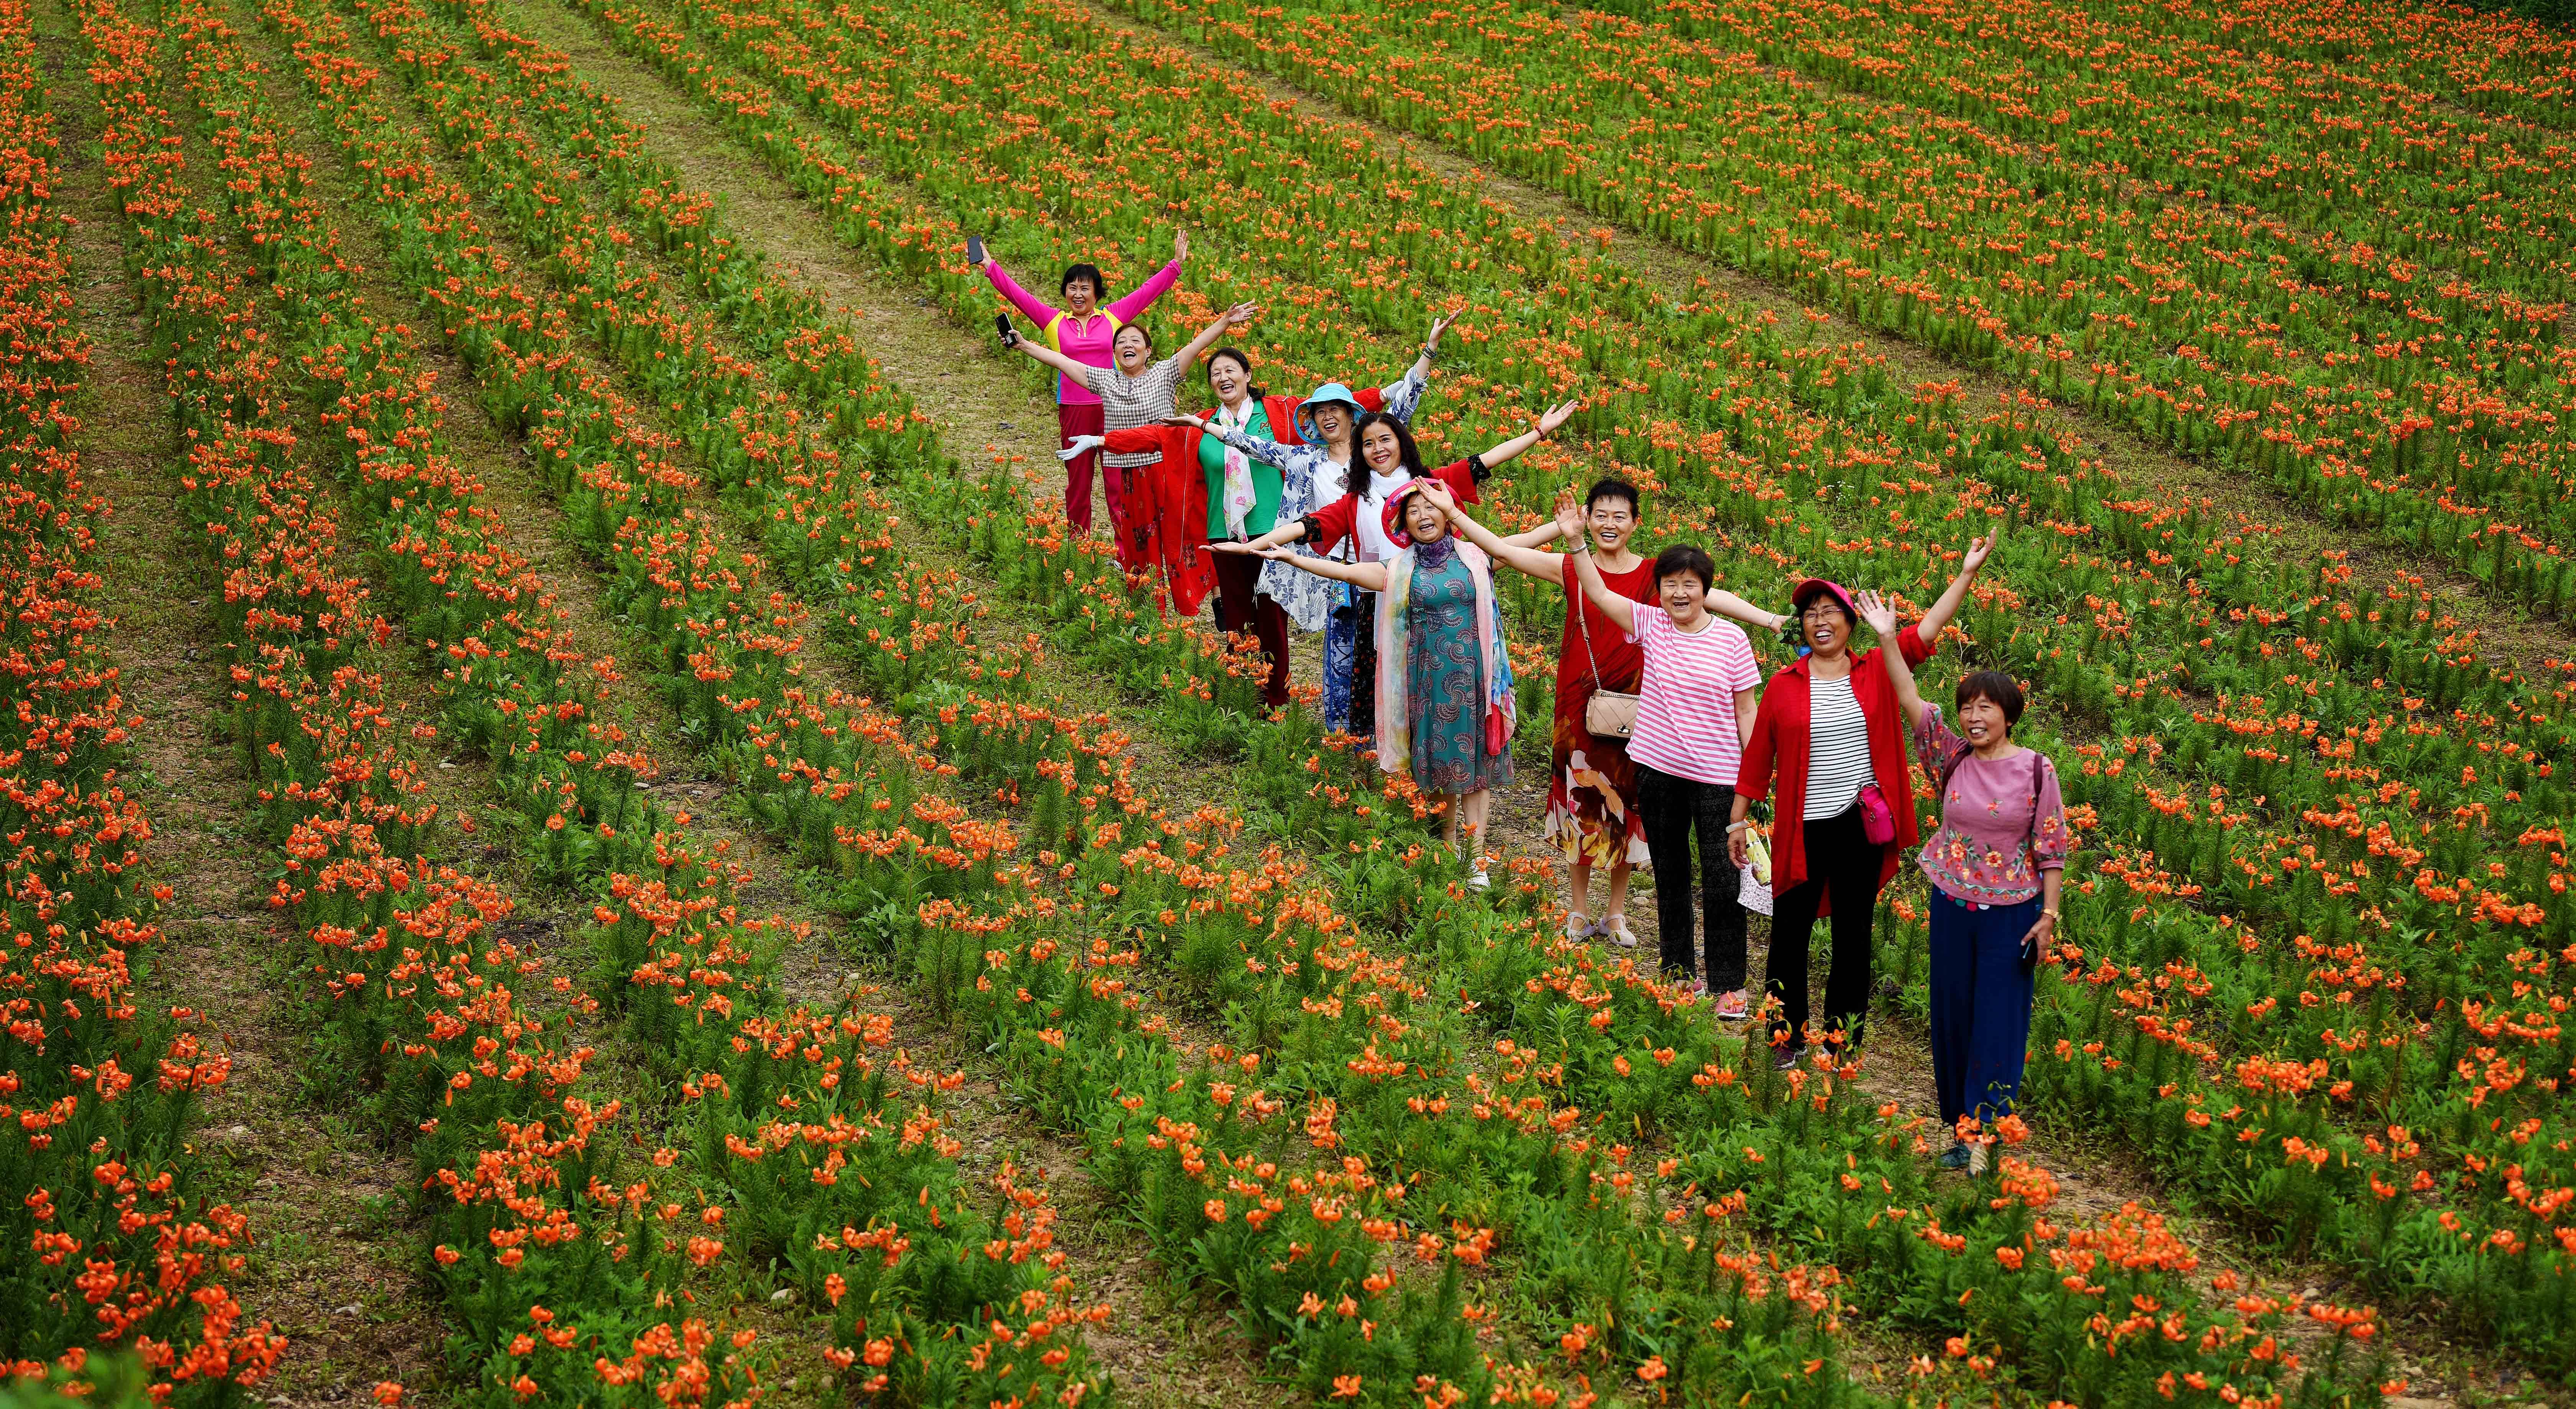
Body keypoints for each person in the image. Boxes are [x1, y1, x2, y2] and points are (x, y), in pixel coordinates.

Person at [1438, 478, 1783, 954]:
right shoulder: (1569, 566)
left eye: (1620, 516)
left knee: (1628, 806)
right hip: (1578, 703)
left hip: (1643, 707)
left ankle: (1615, 910)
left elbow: (1710, 597)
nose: (1609, 524)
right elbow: (1500, 549)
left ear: (1635, 523)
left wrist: (1767, 619)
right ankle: (1578, 908)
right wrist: (1452, 514)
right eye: (1600, 514)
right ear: (1586, 516)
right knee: (1578, 801)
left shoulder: (1654, 576)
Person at [1069, 324, 1453, 703]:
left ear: (1247, 375)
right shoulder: (1230, 432)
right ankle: (1246, 697)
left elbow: (1363, 411)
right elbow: (1161, 436)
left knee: (1278, 622)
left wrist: (1404, 375)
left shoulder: (1284, 415)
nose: (1222, 376)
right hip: (1232, 532)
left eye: (1229, 369)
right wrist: (1102, 441)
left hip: (1287, 534)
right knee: (1243, 621)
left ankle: (1283, 699)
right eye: (1215, 373)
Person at [1729, 535, 1997, 1067]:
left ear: (1851, 622)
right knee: (1787, 936)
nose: (1818, 620)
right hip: (1801, 829)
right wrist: (1737, 822)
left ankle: (1841, 1043)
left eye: (1830, 611)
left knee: (1853, 940)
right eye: (1809, 614)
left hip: (1859, 827)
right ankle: (1786, 1039)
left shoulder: (1876, 667)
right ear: (1801, 627)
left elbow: (1928, 631)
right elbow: (1758, 759)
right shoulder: (1783, 685)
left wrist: (1965, 574)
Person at [1204, 399, 1579, 746]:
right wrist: (1254, 546)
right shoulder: (1355, 499)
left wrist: (1538, 433)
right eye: (1368, 443)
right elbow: (1308, 526)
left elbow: (1482, 462)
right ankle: (1384, 767)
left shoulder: (1427, 484)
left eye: (1385, 439)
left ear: (1401, 443)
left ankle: (1439, 755)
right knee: (1382, 689)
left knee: (1434, 684)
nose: (1378, 449)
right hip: (1380, 599)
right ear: (1360, 451)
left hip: (1437, 594)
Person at [1854, 590, 2068, 1172]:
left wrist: (2047, 916)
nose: (1974, 717)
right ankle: (1959, 1128)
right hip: (1950, 902)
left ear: (2009, 714)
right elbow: (1906, 697)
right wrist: (1883, 636)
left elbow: (2050, 847)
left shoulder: (2034, 769)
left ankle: (1987, 1134)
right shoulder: (1950, 755)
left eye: (1986, 708)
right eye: (1967, 706)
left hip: (2011, 915)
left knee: (1997, 1021)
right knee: (1951, 1014)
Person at [1252, 481, 1514, 885]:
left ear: (1448, 513)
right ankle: (1447, 849)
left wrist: (1570, 529)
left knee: (1478, 769)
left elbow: (1518, 546)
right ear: (1403, 523)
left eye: (1431, 507)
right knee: (1441, 768)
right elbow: (1343, 570)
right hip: (1428, 684)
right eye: (1414, 511)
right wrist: (1292, 558)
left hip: (1477, 681)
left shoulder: (1476, 557)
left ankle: (1477, 858)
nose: (1424, 515)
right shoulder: (1398, 569)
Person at [1000, 300, 1260, 573]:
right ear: (1114, 353)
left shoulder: (1165, 372)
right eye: (1121, 342)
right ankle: (1145, 594)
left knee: (1178, 535)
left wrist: (1226, 321)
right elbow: (1063, 362)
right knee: (1137, 541)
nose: (1128, 345)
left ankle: (1202, 592)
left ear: (1148, 351)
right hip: (1126, 473)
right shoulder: (1105, 380)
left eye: (1135, 341)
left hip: (1164, 467)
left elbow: (1196, 346)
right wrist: (1024, 344)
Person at [979, 232, 1187, 535]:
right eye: (1072, 288)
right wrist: (989, 265)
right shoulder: (1054, 321)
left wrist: (1175, 265)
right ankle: (1079, 542)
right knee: (1078, 481)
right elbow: (1019, 295)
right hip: (1074, 410)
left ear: (1097, 293)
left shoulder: (1115, 318)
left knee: (1118, 482)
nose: (1078, 294)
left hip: (1116, 409)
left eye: (1084, 288)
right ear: (1065, 292)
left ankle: (1125, 547)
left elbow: (1147, 292)